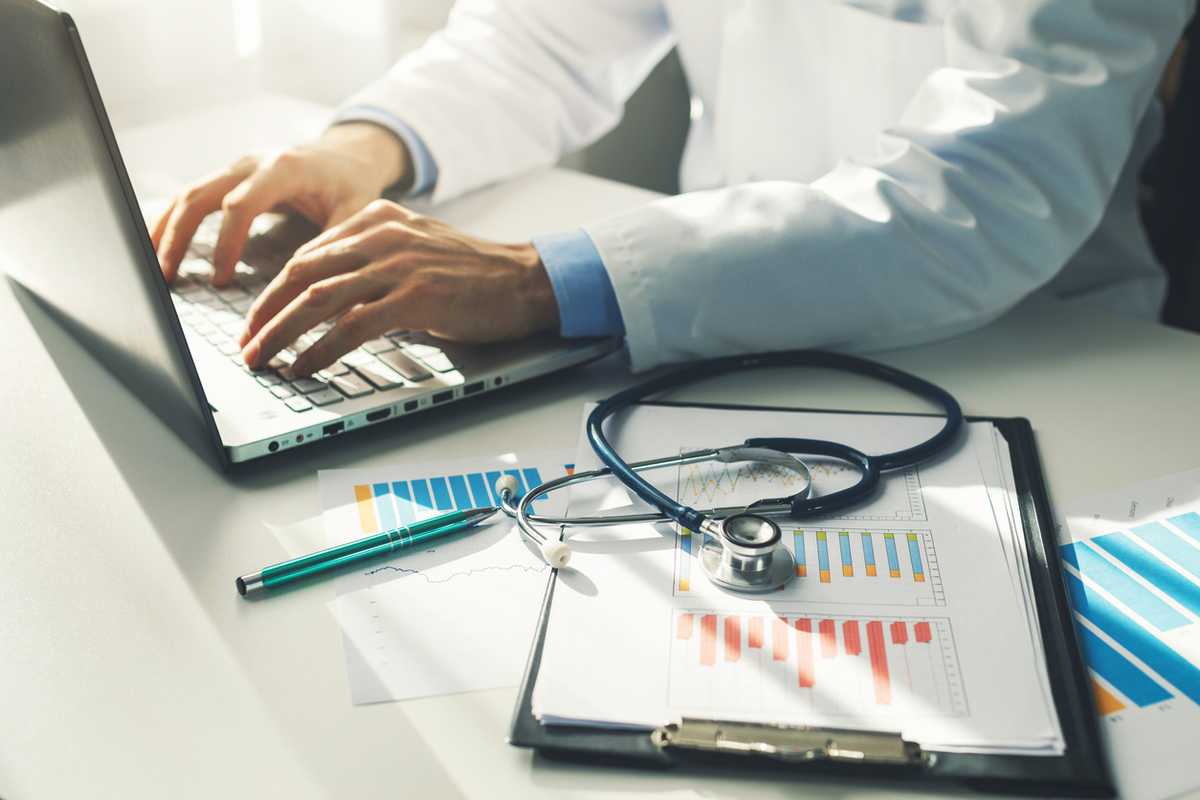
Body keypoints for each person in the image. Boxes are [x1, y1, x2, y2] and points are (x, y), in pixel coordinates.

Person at [153, 1, 1193, 378]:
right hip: (714, 334)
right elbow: (541, 37)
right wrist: (363, 148)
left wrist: (537, 280)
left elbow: (982, 197)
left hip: (1034, 355)